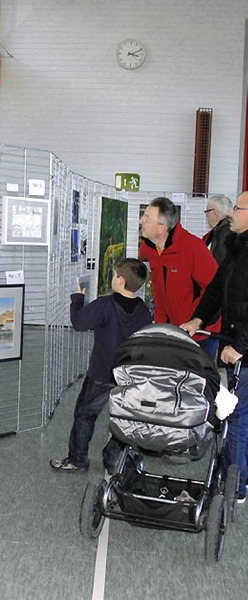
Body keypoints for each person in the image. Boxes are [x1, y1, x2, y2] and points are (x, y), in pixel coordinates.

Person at [50, 258, 152, 473]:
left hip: (101, 372)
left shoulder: (105, 304)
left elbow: (79, 323)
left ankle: (77, 460)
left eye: (114, 274)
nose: (112, 278)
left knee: (85, 415)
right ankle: (113, 459)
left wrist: (78, 299)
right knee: (124, 417)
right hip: (129, 376)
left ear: (120, 280)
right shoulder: (143, 310)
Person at [181, 190, 248, 503]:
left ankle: (237, 485)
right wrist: (197, 319)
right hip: (235, 343)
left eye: (237, 208)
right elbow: (216, 290)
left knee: (237, 416)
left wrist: (241, 346)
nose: (230, 213)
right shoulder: (236, 248)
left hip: (243, 350)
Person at [139, 196, 219, 357]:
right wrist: (161, 326)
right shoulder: (152, 250)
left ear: (161, 228)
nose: (141, 221)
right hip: (172, 332)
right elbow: (159, 292)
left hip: (199, 334)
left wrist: (196, 320)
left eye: (147, 218)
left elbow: (215, 289)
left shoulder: (192, 248)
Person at [202, 194, 232, 266]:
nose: (207, 216)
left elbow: (219, 261)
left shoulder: (224, 232)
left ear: (215, 213)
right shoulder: (217, 231)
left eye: (207, 211)